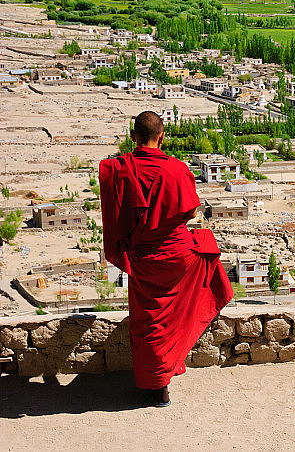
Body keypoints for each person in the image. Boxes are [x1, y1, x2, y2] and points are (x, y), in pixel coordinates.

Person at [100, 111, 232, 407]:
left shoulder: (119, 170)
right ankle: (167, 372)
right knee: (199, 273)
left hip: (143, 260)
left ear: (133, 137)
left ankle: (157, 386)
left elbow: (115, 214)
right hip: (176, 258)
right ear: (163, 136)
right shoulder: (176, 170)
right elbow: (189, 213)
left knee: (148, 321)